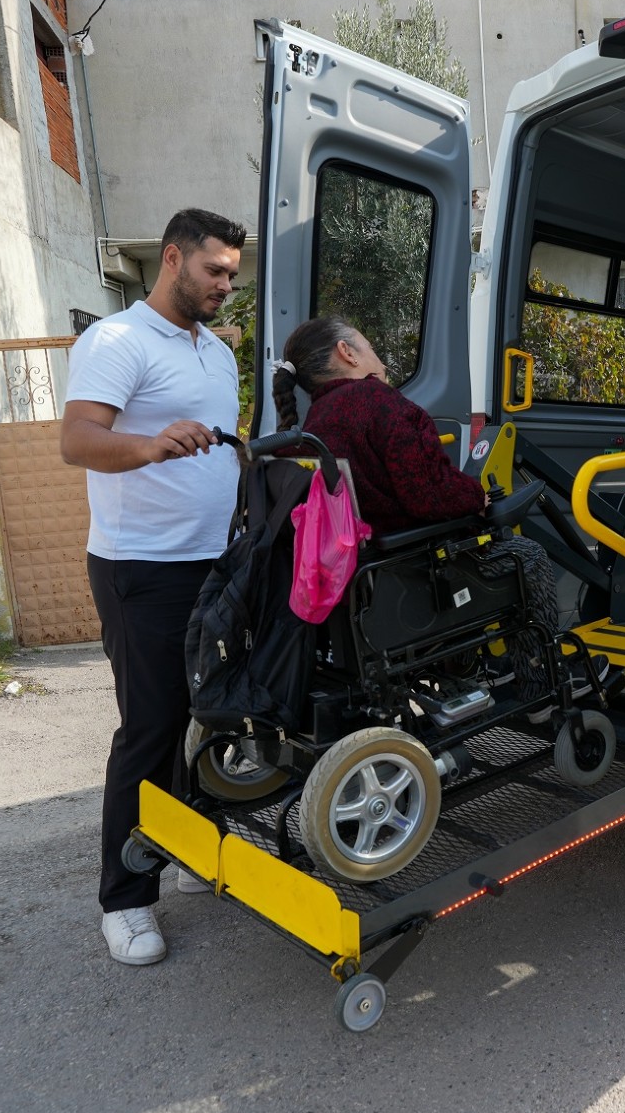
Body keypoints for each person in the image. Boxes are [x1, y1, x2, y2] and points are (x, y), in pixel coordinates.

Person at [61, 207, 246, 967]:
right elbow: (77, 440)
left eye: (233, 274)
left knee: (208, 718)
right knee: (150, 728)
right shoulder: (116, 341)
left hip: (215, 561)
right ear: (172, 259)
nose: (225, 286)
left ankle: (187, 847)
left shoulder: (216, 352)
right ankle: (126, 901)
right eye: (214, 271)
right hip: (142, 568)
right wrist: (147, 445)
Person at [272, 314, 560, 701]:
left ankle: (465, 670)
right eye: (370, 347)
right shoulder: (381, 404)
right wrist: (477, 497)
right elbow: (426, 493)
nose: (382, 361)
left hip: (357, 574)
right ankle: (540, 690)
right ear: (347, 353)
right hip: (414, 568)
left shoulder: (313, 422)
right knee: (529, 557)